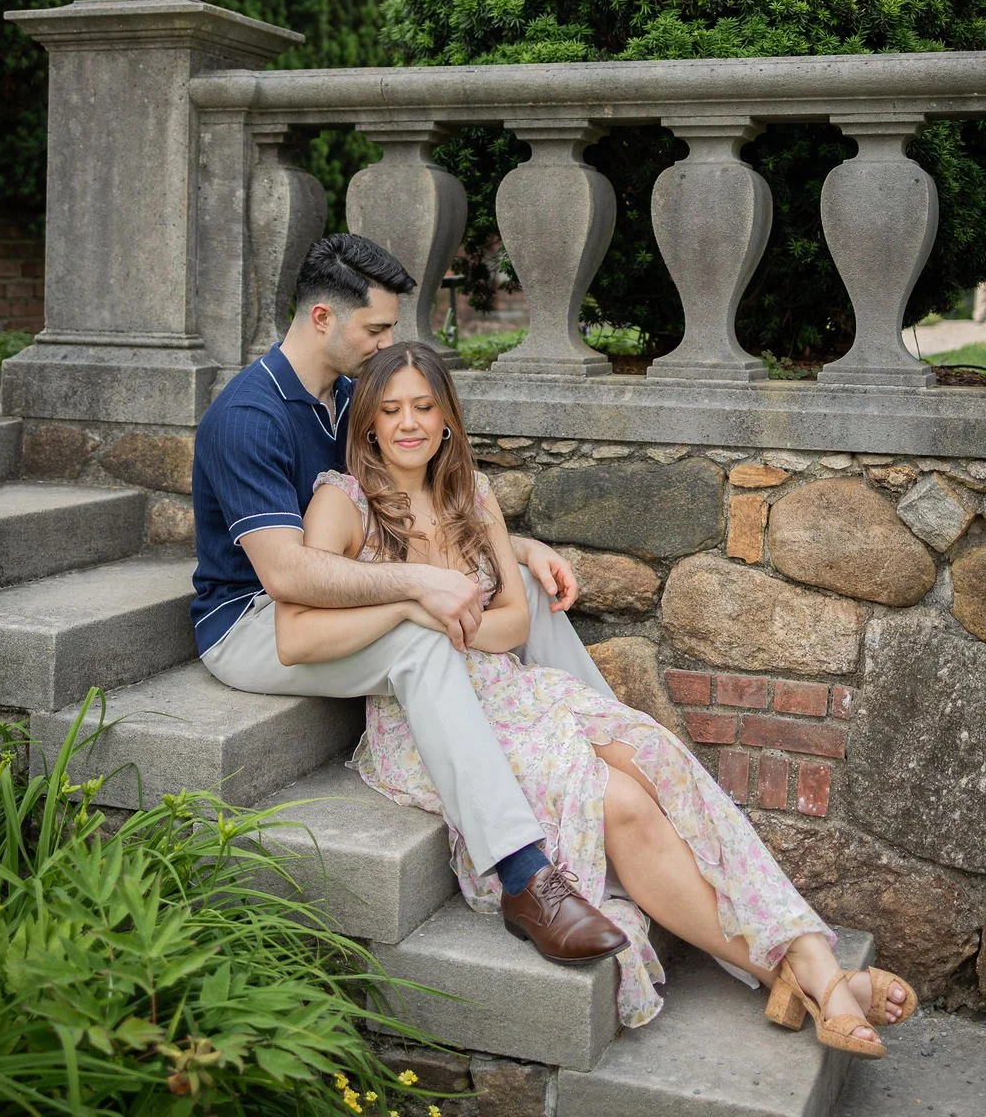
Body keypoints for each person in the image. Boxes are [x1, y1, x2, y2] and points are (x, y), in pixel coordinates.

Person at [296, 338, 919, 1055]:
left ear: (447, 418)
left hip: (513, 691)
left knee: (655, 752)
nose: (408, 423)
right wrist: (412, 602)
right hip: (429, 723)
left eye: (424, 407)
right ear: (368, 421)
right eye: (392, 409)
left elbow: (515, 622)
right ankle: (815, 974)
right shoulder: (341, 506)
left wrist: (457, 621)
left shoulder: (470, 492)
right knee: (617, 804)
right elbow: (303, 632)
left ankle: (806, 963)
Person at [192, 232, 627, 966]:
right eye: (377, 329)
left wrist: (514, 551)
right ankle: (523, 875)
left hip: (331, 593)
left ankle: (615, 745)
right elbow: (288, 578)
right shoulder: (249, 418)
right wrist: (414, 588)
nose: (389, 343)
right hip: (253, 623)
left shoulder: (339, 398)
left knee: (519, 588)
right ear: (324, 320)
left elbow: (396, 509)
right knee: (420, 637)